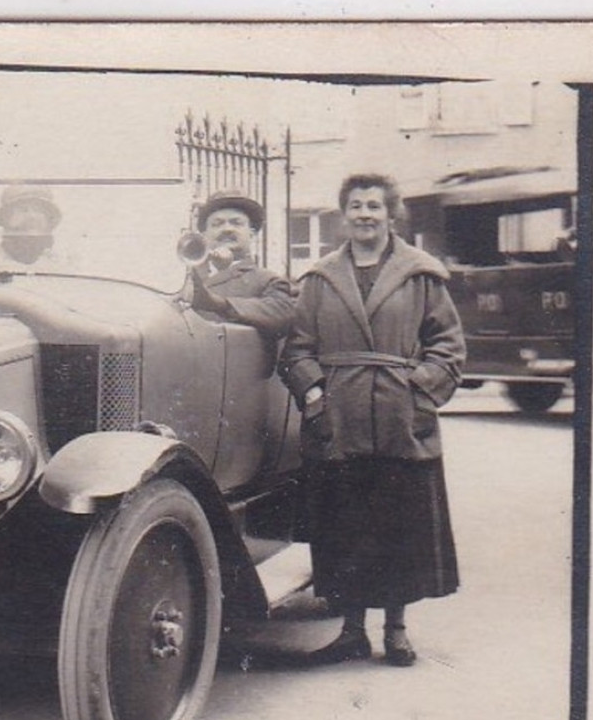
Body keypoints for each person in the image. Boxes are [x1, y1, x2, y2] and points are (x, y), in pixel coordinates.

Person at [279, 173, 464, 667]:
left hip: (400, 418)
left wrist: (417, 394)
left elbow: (449, 348)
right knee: (345, 526)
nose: (364, 215)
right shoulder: (319, 279)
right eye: (355, 206)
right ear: (344, 216)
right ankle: (351, 630)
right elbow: (297, 350)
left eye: (374, 207)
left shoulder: (421, 274)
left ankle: (396, 630)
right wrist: (316, 396)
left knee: (398, 527)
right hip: (339, 419)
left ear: (391, 214)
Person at [182, 189, 296, 338]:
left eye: (236, 223)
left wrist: (219, 304)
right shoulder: (185, 276)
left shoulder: (268, 280)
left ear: (252, 233)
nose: (227, 229)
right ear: (204, 234)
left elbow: (282, 313)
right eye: (217, 224)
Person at [0, 185, 64, 270]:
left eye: (39, 211)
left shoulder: (63, 264)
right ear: (7, 218)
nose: (32, 216)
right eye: (24, 210)